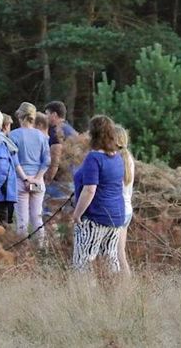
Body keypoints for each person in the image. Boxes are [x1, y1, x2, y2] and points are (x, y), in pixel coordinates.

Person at [70, 115, 126, 273]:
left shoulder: (94, 158)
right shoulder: (118, 158)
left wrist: (77, 214)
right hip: (116, 217)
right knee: (110, 259)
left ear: (94, 134)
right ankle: (113, 293)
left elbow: (90, 190)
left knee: (83, 261)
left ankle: (85, 296)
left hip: (95, 217)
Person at [11, 106, 51, 239]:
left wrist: (25, 178)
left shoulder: (13, 135)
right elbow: (47, 161)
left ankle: (23, 252)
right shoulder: (42, 136)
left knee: (22, 221)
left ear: (20, 117)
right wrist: (37, 178)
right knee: (37, 218)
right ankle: (41, 250)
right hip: (38, 181)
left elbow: (14, 160)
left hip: (20, 180)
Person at [114, 124, 135, 277]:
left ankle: (119, 287)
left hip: (117, 210)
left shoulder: (115, 160)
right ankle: (127, 287)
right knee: (120, 253)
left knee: (114, 254)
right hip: (127, 209)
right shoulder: (129, 159)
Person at [44, 100, 77, 186]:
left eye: (47, 114)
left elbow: (55, 159)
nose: (46, 117)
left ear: (54, 115)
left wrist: (47, 180)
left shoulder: (56, 132)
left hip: (59, 179)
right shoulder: (72, 130)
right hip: (73, 176)